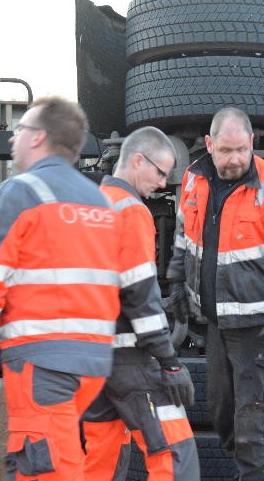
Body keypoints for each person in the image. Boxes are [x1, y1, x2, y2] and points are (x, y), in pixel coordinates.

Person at [0, 97, 122, 481]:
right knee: (51, 458)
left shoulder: (21, 193)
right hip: (93, 364)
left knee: (44, 467)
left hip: (43, 364)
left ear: (39, 138)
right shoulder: (99, 202)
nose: (13, 139)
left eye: (20, 131)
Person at [165, 107, 264, 480]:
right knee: (223, 417)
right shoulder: (193, 179)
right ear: (209, 145)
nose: (234, 159)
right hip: (218, 325)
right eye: (225, 151)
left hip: (259, 330)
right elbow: (184, 237)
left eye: (241, 150)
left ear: (252, 143)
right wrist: (176, 283)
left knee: (253, 430)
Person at [82, 126, 199, 480]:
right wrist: (169, 361)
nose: (164, 183)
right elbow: (139, 296)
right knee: (175, 455)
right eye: (160, 172)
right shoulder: (131, 210)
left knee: (100, 457)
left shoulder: (89, 206)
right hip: (130, 359)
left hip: (89, 361)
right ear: (137, 160)